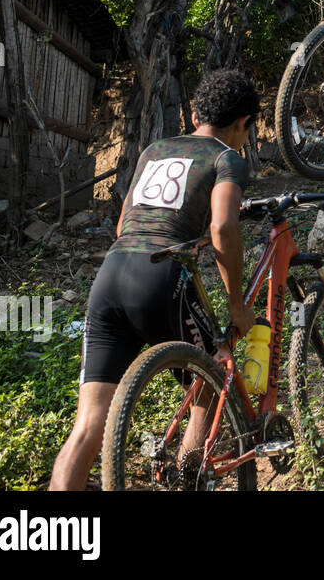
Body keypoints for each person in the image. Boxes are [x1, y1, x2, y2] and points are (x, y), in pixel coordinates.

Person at [51, 68, 261, 490]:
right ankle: (187, 479)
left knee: (89, 423)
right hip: (161, 277)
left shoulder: (155, 150)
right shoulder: (226, 158)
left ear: (199, 111)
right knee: (208, 384)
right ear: (243, 123)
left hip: (112, 274)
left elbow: (124, 222)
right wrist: (237, 305)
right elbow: (223, 228)